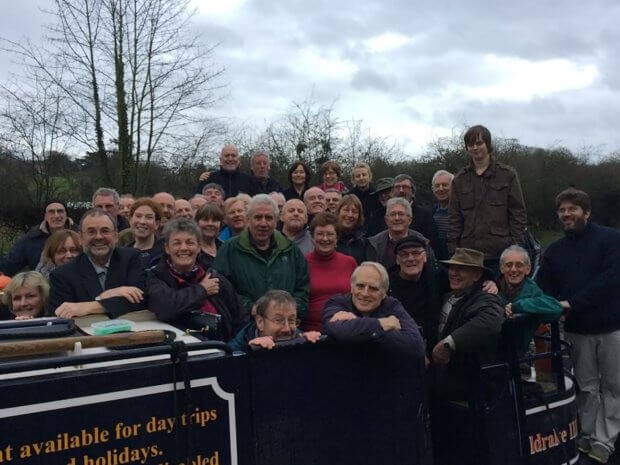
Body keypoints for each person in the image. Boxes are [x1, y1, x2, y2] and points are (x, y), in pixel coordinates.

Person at [536, 188, 620, 463]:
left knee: (613, 386)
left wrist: (572, 303)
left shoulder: (611, 240)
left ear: (587, 212)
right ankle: (586, 432)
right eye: (562, 210)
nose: (566, 214)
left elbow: (610, 280)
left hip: (611, 327)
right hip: (577, 330)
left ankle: (605, 439)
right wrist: (517, 301)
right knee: (585, 386)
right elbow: (541, 287)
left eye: (572, 209)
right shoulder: (555, 251)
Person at [146, 219, 247, 342]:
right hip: (176, 354)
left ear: (199, 247)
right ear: (167, 248)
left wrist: (233, 348)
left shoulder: (214, 278)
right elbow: (166, 308)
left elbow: (241, 318)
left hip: (220, 351)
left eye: (190, 243)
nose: (183, 248)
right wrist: (202, 290)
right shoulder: (155, 277)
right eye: (177, 243)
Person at [215, 194, 310, 319]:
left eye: (269, 218)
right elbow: (222, 288)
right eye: (258, 217)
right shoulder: (230, 249)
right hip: (244, 325)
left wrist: (288, 311)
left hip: (285, 326)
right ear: (248, 219)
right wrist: (252, 308)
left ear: (276, 221)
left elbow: (303, 289)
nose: (263, 223)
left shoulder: (290, 250)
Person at [448, 125, 527, 274]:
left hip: (500, 253)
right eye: (470, 144)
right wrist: (453, 250)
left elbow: (517, 214)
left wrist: (516, 248)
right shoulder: (460, 179)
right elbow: (454, 218)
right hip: (469, 255)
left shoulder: (508, 175)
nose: (475, 148)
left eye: (479, 143)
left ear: (488, 145)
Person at [431, 248, 504, 399]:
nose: (453, 273)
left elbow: (490, 321)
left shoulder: (486, 298)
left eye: (461, 269)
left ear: (477, 275)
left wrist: (448, 344)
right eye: (451, 268)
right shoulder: (446, 295)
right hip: (440, 372)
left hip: (466, 380)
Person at [49, 209, 146, 318]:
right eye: (91, 232)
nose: (99, 237)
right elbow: (61, 313)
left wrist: (91, 305)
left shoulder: (131, 258)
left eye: (105, 231)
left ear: (116, 236)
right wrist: (113, 295)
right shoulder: (62, 275)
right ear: (80, 238)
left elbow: (140, 301)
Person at [322, 261, 424, 358]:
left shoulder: (392, 305)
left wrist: (355, 329)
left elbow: (416, 346)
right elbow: (337, 331)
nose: (365, 293)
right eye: (360, 286)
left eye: (373, 288)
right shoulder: (337, 302)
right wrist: (382, 324)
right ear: (351, 287)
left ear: (384, 293)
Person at [498, 245, 562, 354]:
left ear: (528, 269)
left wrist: (518, 306)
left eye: (519, 265)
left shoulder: (533, 292)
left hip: (515, 357)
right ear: (501, 268)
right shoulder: (490, 287)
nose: (513, 269)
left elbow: (556, 309)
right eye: (509, 265)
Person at [387, 234, 444, 350]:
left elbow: (464, 277)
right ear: (397, 260)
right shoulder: (386, 283)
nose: (411, 258)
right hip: (398, 345)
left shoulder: (437, 276)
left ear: (425, 257)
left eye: (416, 253)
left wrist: (488, 281)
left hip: (433, 346)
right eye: (404, 254)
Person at [304, 212, 357, 331]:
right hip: (312, 332)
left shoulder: (349, 262)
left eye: (330, 234)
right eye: (320, 234)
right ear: (312, 238)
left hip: (347, 329)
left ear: (337, 237)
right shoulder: (302, 263)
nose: (325, 238)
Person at [228, 290, 321, 351]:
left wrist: (312, 347)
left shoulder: (299, 337)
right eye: (279, 320)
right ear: (260, 322)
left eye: (292, 321)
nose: (287, 329)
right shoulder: (240, 342)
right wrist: (252, 350)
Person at [0, 201, 75, 276]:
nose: (56, 215)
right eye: (51, 212)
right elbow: (9, 264)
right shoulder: (31, 238)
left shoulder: (80, 234)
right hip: (42, 284)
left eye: (60, 211)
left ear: (66, 215)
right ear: (45, 216)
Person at [368, 197, 425, 269]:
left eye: (401, 214)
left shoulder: (423, 243)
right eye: (393, 214)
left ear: (409, 220)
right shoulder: (373, 244)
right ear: (386, 220)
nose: (397, 218)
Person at [391, 174, 440, 255]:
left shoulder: (425, 215)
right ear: (392, 192)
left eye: (405, 187)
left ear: (413, 193)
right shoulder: (384, 214)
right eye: (397, 187)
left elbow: (432, 245)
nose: (401, 190)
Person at [127, 198, 164, 266]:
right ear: (130, 220)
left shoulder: (165, 254)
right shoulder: (123, 254)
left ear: (157, 224)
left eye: (149, 217)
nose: (142, 221)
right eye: (138, 216)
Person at [335, 194, 369, 264]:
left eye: (354, 211)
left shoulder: (364, 242)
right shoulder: (331, 239)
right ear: (338, 212)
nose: (350, 215)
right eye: (346, 210)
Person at [431, 170, 453, 260]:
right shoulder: (431, 213)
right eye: (437, 186)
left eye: (445, 185)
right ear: (433, 190)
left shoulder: (463, 212)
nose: (440, 189)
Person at [350, 162, 378, 232]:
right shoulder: (349, 197)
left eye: (364, 175)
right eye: (358, 176)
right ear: (354, 179)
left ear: (369, 176)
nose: (361, 178)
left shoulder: (377, 194)